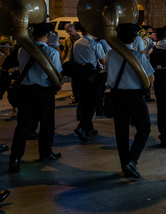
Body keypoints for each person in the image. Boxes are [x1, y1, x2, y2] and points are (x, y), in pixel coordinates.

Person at [9, 23, 63, 173]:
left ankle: (15, 158)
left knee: (22, 126)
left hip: (26, 92)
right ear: (48, 36)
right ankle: (45, 153)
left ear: (32, 35)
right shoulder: (52, 52)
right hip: (44, 92)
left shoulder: (22, 51)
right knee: (46, 124)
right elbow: (57, 73)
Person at [105, 23, 155, 179]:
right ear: (134, 38)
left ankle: (124, 164)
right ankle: (131, 160)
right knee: (145, 127)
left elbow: (107, 71)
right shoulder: (138, 56)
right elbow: (150, 78)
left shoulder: (110, 54)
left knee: (121, 131)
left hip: (116, 95)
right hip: (134, 95)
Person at [71, 26, 106, 142]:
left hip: (79, 76)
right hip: (92, 77)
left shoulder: (76, 43)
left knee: (85, 101)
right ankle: (82, 127)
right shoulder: (95, 44)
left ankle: (89, 128)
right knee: (94, 102)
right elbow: (103, 61)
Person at [62, 23, 81, 106]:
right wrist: (61, 62)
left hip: (79, 62)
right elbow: (65, 51)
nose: (69, 33)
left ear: (74, 29)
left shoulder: (80, 38)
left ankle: (79, 97)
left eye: (70, 31)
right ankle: (76, 97)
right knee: (73, 81)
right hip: (71, 62)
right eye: (67, 32)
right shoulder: (67, 40)